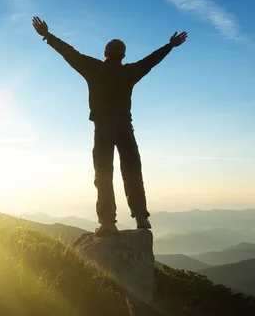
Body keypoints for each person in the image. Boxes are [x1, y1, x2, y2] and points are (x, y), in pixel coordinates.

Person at [32, 16, 188, 236]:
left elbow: (69, 52)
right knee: (132, 171)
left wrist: (48, 36)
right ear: (123, 55)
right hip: (125, 128)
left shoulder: (92, 68)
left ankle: (107, 222)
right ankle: (141, 218)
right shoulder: (129, 72)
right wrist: (169, 46)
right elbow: (150, 61)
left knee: (103, 173)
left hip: (103, 129)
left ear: (105, 53)